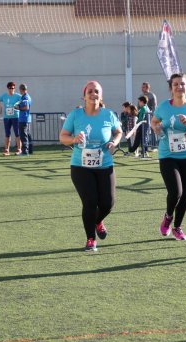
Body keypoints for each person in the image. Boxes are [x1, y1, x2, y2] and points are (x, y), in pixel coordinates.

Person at [59, 80, 123, 252]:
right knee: (90, 201)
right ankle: (90, 239)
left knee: (108, 203)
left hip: (105, 165)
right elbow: (63, 136)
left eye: (97, 91)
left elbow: (118, 132)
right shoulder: (75, 115)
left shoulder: (109, 115)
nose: (93, 94)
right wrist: (73, 139)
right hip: (81, 166)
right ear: (84, 96)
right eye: (90, 91)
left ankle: (97, 221)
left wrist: (114, 142)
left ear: (100, 96)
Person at [150, 73, 186, 241]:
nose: (179, 87)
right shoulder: (163, 107)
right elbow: (154, 122)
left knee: (185, 194)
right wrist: (157, 128)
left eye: (182, 84)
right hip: (168, 155)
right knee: (176, 192)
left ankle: (178, 227)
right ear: (171, 88)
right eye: (176, 84)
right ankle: (168, 216)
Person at [0, 81, 22, 155]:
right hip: (7, 117)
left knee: (17, 133)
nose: (11, 90)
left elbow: (24, 102)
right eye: (10, 88)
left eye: (13, 88)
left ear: (14, 88)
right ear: (7, 88)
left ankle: (19, 149)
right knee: (7, 134)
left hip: (16, 117)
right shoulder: (4, 96)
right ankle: (7, 150)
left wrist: (19, 107)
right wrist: (0, 108)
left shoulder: (18, 96)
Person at [15, 83, 33, 155]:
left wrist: (18, 108)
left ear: (21, 90)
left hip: (23, 119)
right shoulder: (28, 96)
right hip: (27, 119)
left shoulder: (25, 97)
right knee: (28, 135)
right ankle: (30, 150)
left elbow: (26, 107)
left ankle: (25, 151)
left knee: (23, 136)